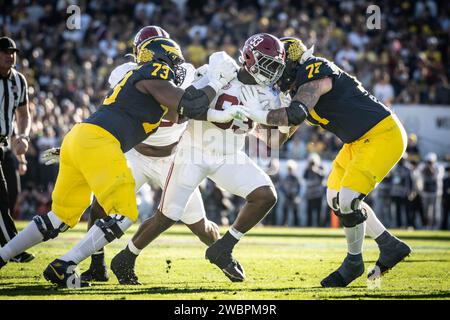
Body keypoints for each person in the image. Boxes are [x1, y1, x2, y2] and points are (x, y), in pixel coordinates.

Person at [0, 36, 243, 288]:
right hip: (102, 144)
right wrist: (215, 81)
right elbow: (190, 103)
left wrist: (217, 104)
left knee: (59, 217)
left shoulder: (144, 84)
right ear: (160, 60)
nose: (175, 67)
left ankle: (2, 255)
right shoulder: (153, 71)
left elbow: (181, 111)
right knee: (124, 214)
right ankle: (66, 264)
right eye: (172, 61)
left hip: (81, 138)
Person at [109, 33, 285, 284]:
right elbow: (184, 110)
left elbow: (274, 141)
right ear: (249, 58)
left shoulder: (269, 95)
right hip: (192, 152)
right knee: (167, 215)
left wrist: (286, 122)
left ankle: (224, 248)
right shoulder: (221, 72)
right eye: (267, 63)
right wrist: (220, 114)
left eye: (275, 66)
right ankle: (126, 257)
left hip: (229, 156)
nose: (271, 71)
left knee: (266, 195)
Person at [240, 36, 411, 287]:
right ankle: (389, 245)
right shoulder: (297, 89)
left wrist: (255, 112)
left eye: (278, 66)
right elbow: (277, 140)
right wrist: (248, 124)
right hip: (357, 142)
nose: (274, 74)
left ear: (290, 63)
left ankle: (353, 262)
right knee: (334, 198)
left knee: (348, 199)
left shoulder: (315, 69)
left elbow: (297, 112)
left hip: (382, 134)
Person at [0, 36, 34, 263]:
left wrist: (23, 136)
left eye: (13, 52)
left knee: (12, 193)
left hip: (5, 144)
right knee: (0, 197)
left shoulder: (19, 80)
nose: (10, 55)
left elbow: (23, 113)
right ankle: (13, 248)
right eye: (5, 52)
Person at [303, 153, 325, 227]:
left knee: (319, 212)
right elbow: (304, 177)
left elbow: (322, 176)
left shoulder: (320, 167)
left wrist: (315, 169)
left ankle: (319, 226)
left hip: (318, 194)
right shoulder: (307, 169)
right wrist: (309, 168)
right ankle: (309, 226)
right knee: (309, 212)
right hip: (310, 194)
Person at [281, 160, 301, 226]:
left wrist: (296, 194)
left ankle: (296, 224)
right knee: (285, 211)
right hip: (287, 196)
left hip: (294, 197)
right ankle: (285, 224)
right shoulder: (285, 177)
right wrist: (286, 193)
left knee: (295, 212)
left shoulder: (296, 178)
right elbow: (282, 187)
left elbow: (299, 187)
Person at [441, 165, 450, 230]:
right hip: (446, 200)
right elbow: (443, 190)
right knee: (445, 215)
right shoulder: (445, 180)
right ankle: (444, 227)